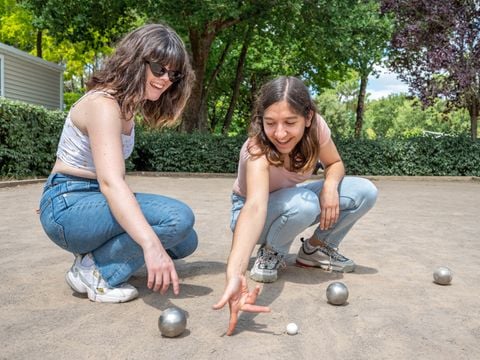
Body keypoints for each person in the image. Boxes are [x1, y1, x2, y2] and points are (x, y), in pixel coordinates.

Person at [38, 24, 197, 303]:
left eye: (173, 74)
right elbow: (111, 182)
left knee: (186, 239)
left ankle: (100, 254)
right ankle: (95, 271)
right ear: (137, 60)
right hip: (69, 206)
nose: (165, 79)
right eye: (159, 68)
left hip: (87, 201)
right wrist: (149, 244)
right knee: (176, 218)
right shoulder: (103, 104)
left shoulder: (126, 106)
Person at [213, 76, 377, 334]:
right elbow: (255, 207)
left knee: (364, 191)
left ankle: (316, 250)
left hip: (293, 199)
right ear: (261, 121)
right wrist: (235, 274)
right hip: (251, 213)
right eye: (270, 123)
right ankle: (271, 252)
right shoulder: (257, 148)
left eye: (290, 122)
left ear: (308, 117)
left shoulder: (317, 128)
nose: (279, 133)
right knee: (306, 203)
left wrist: (330, 186)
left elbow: (334, 163)